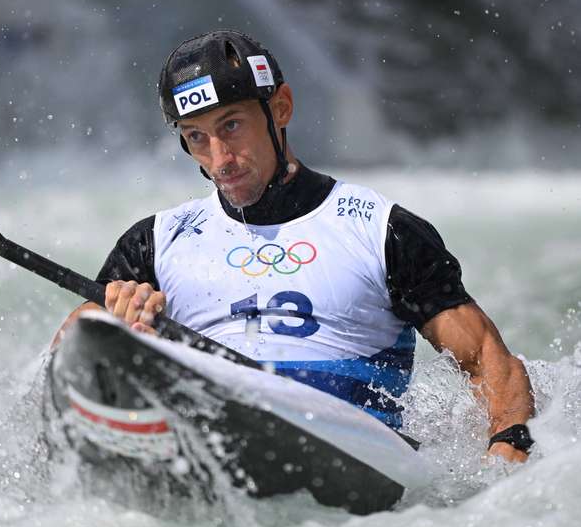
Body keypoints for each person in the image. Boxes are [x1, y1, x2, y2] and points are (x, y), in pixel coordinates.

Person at [55, 29, 535, 462]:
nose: (219, 159)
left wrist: (508, 445)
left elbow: (486, 359)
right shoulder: (156, 241)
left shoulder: (381, 230)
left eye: (232, 126)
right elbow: (65, 362)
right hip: (195, 429)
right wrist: (111, 320)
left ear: (280, 107)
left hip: (353, 452)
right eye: (196, 137)